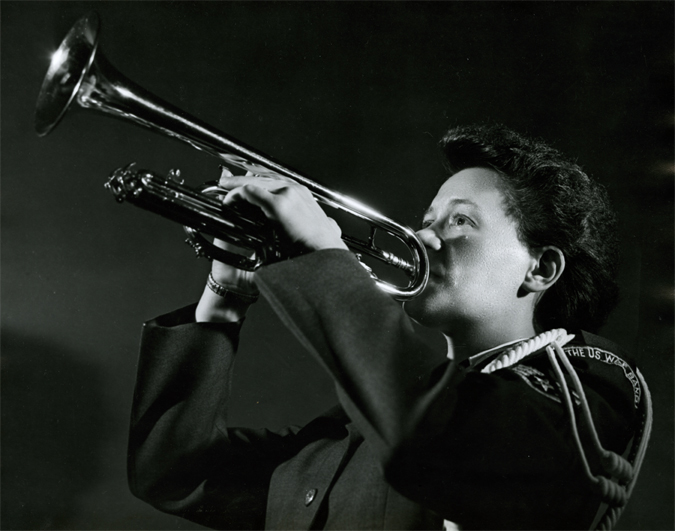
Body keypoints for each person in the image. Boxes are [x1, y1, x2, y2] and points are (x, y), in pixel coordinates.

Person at [127, 124, 650, 530]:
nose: (425, 238)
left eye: (461, 221)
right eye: (428, 220)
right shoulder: (358, 431)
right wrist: (227, 292)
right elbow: (175, 475)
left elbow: (440, 439)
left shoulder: (588, 387)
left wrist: (323, 254)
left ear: (541, 268)